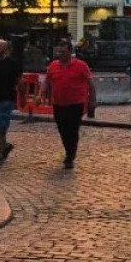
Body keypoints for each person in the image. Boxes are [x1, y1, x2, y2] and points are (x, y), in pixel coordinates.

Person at [39, 37, 96, 169]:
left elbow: (91, 84)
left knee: (73, 129)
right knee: (62, 129)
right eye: (59, 52)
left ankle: (70, 155)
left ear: (70, 52)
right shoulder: (53, 66)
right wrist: (40, 95)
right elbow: (47, 82)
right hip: (58, 103)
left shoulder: (81, 65)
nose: (61, 54)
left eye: (63, 52)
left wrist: (92, 100)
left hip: (76, 103)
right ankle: (68, 150)